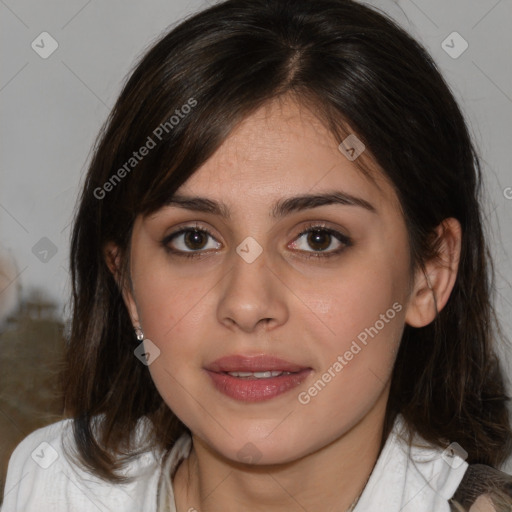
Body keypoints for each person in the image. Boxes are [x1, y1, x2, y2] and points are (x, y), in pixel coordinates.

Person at [2, 0, 512, 510]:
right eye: (194, 239)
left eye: (318, 239)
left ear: (430, 273)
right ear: (127, 285)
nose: (247, 304)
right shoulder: (52, 485)